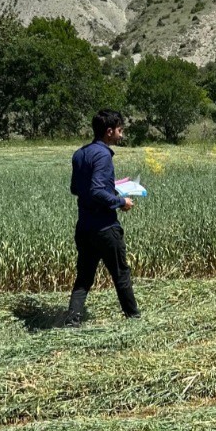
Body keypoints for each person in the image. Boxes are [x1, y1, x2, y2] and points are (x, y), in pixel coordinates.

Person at [66, 109, 141, 324]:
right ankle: (134, 318)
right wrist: (121, 201)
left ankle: (72, 321)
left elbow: (76, 188)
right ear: (109, 132)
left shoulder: (80, 153)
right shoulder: (103, 155)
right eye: (120, 130)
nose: (121, 134)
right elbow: (97, 191)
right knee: (121, 275)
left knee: (84, 278)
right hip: (105, 228)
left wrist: (112, 186)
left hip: (84, 228)